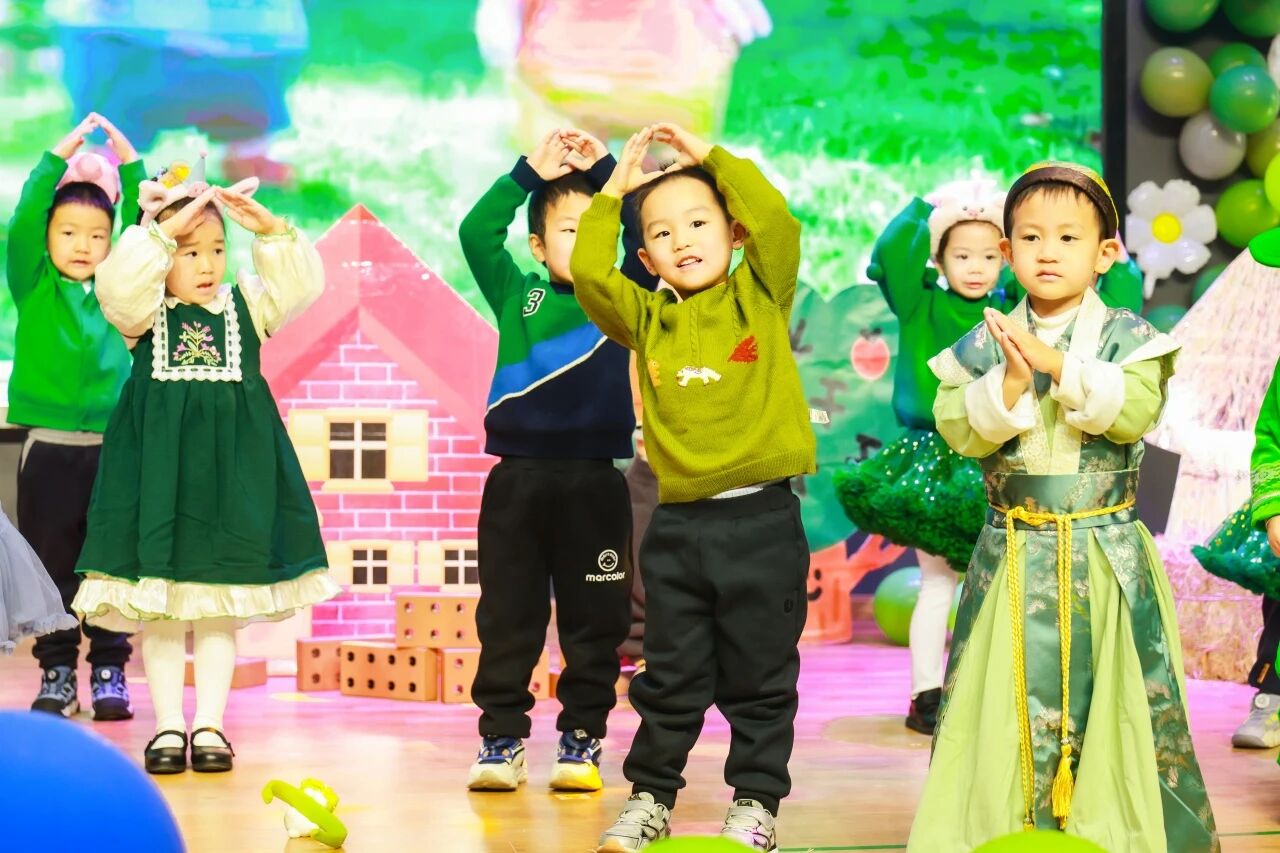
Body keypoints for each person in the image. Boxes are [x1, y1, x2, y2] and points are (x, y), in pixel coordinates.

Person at [907, 162, 1217, 852]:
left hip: (1105, 555)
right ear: (1007, 250)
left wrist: (1055, 365)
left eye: (1069, 237)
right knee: (998, 698)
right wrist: (1010, 382)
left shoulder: (1131, 338)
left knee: (1120, 700)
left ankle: (1118, 832)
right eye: (1030, 237)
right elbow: (958, 427)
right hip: (1013, 554)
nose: (1048, 251)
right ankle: (1000, 830)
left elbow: (1133, 412)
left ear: (1104, 253)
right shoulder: (982, 342)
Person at [572, 123, 814, 852]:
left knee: (761, 677)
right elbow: (590, 273)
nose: (683, 240)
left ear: (734, 233)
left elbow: (777, 220)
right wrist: (614, 192)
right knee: (668, 676)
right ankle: (650, 798)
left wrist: (709, 156)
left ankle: (756, 804)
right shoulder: (646, 319)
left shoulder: (762, 295)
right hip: (679, 528)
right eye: (663, 233)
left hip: (763, 524)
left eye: (699, 222)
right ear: (646, 259)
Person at [71, 157, 339, 774]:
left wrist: (270, 230)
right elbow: (117, 286)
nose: (207, 264)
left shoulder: (247, 307)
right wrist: (162, 231)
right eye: (190, 252)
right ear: (164, 255)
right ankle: (168, 726)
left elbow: (301, 287)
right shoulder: (143, 315)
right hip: (158, 483)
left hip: (233, 484)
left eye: (216, 250)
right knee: (165, 610)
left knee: (219, 608)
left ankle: (211, 725)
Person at [8, 113, 146, 720]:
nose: (84, 245)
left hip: (114, 450)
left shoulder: (120, 290)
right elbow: (23, 220)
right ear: (48, 237)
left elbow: (144, 230)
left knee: (112, 564)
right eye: (68, 232)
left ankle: (111, 670)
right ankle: (58, 671)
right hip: (48, 451)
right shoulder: (33, 283)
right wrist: (56, 159)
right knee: (50, 566)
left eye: (97, 234)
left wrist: (130, 163)